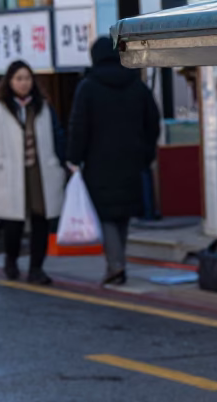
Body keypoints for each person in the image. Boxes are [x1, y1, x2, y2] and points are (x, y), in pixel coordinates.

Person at [67, 36, 161, 286]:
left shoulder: (88, 87)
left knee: (106, 214)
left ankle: (115, 265)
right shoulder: (137, 85)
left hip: (98, 162)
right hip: (131, 160)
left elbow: (79, 126)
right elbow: (153, 121)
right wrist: (146, 153)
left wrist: (74, 158)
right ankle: (117, 262)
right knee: (123, 214)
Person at [0, 60, 66, 285]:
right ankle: (11, 260)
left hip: (40, 171)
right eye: (19, 78)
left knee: (41, 220)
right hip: (9, 171)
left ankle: (36, 268)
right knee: (13, 222)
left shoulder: (43, 106)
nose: (24, 83)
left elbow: (57, 136)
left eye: (27, 78)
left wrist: (61, 161)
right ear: (9, 81)